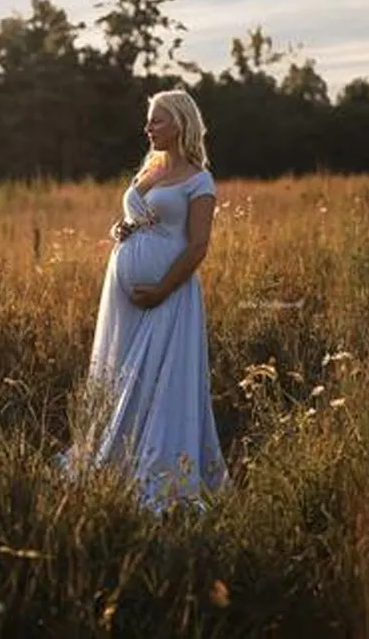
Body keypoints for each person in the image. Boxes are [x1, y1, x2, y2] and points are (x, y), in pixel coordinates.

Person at [61, 89, 229, 511]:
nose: (148, 128)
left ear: (180, 124)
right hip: (127, 298)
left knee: (159, 380)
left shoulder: (199, 181)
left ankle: (160, 469)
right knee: (124, 373)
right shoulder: (150, 170)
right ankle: (119, 458)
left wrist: (162, 289)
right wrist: (122, 229)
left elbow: (198, 246)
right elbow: (138, 217)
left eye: (157, 120)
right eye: (149, 120)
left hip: (169, 297)